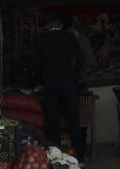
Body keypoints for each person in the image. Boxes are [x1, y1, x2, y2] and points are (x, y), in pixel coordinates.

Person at [33, 14, 85, 159]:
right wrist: (73, 75)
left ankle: (55, 156)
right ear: (62, 26)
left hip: (50, 84)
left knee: (52, 121)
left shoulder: (41, 40)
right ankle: (79, 155)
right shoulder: (70, 38)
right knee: (73, 121)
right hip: (69, 83)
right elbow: (81, 60)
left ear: (48, 27)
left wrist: (41, 79)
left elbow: (35, 65)